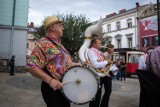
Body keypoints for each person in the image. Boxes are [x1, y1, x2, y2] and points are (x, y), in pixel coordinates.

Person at [25, 16, 80, 107]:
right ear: (52, 28)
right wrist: (50, 80)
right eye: (60, 25)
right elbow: (31, 66)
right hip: (52, 89)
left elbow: (59, 63)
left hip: (64, 87)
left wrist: (74, 64)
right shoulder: (44, 43)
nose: (63, 28)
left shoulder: (59, 44)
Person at [87, 37, 113, 107]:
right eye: (99, 43)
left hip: (102, 74)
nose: (101, 44)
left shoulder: (99, 52)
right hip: (96, 75)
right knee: (96, 96)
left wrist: (109, 54)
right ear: (93, 44)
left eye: (101, 43)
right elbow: (95, 65)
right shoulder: (91, 51)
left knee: (101, 93)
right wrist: (107, 61)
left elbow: (103, 59)